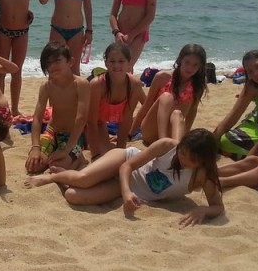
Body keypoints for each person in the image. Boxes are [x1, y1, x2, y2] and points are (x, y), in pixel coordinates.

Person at [24, 128, 225, 227]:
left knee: (73, 196)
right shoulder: (167, 146)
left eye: (191, 160)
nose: (184, 159)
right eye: (182, 153)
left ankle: (66, 176)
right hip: (125, 162)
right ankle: (51, 178)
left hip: (129, 188)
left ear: (203, 161)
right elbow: (127, 166)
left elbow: (218, 206)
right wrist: (126, 191)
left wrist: (203, 210)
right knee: (83, 179)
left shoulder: (202, 175)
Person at [25, 42, 89, 175]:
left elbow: (81, 119)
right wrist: (35, 147)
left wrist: (66, 150)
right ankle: (67, 156)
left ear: (70, 62)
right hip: (52, 132)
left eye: (57, 61)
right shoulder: (47, 87)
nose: (52, 66)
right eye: (48, 63)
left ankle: (79, 160)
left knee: (57, 167)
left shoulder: (80, 84)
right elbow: (37, 118)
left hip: (74, 136)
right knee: (34, 166)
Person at [213, 50, 258, 159]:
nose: (255, 74)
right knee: (225, 140)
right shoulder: (252, 87)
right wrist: (213, 139)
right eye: (250, 71)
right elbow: (233, 115)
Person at [133, 43, 208, 144]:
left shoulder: (197, 86)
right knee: (166, 97)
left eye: (195, 65)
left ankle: (176, 147)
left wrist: (186, 137)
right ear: (180, 60)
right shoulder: (162, 77)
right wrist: (130, 133)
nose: (190, 68)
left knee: (177, 114)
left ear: (200, 67)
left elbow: (192, 113)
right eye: (187, 62)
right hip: (151, 129)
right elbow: (147, 105)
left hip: (172, 131)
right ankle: (163, 141)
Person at [88, 42, 145, 153]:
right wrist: (95, 153)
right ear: (106, 63)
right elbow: (91, 121)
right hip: (94, 123)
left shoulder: (134, 85)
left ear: (129, 63)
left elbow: (126, 119)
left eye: (121, 61)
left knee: (117, 153)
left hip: (110, 123)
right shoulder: (97, 84)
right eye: (112, 61)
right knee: (103, 152)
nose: (116, 65)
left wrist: (121, 145)